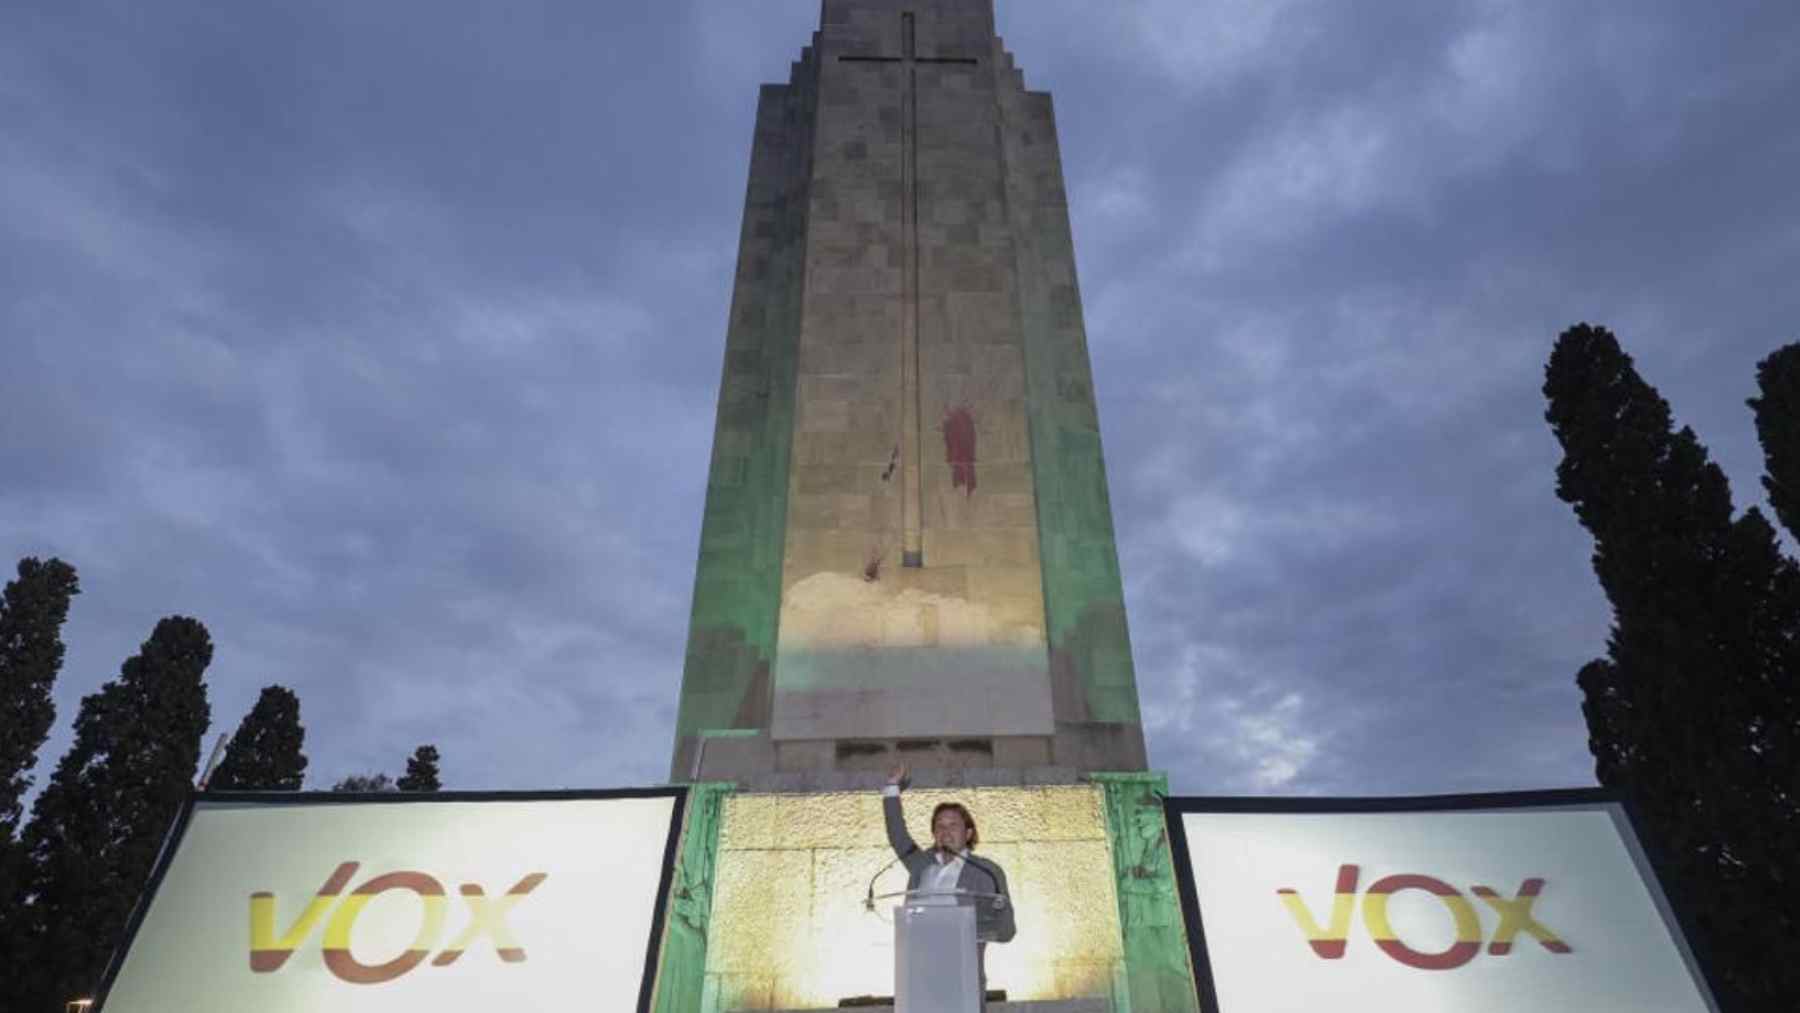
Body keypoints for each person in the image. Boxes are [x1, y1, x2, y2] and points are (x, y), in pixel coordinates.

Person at [883, 764, 1015, 1006]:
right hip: (918, 980)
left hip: (961, 980)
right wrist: (892, 788)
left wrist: (966, 927)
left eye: (953, 825)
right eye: (940, 826)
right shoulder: (920, 864)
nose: (945, 831)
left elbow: (1006, 930)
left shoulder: (986, 872)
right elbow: (897, 835)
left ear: (968, 833)